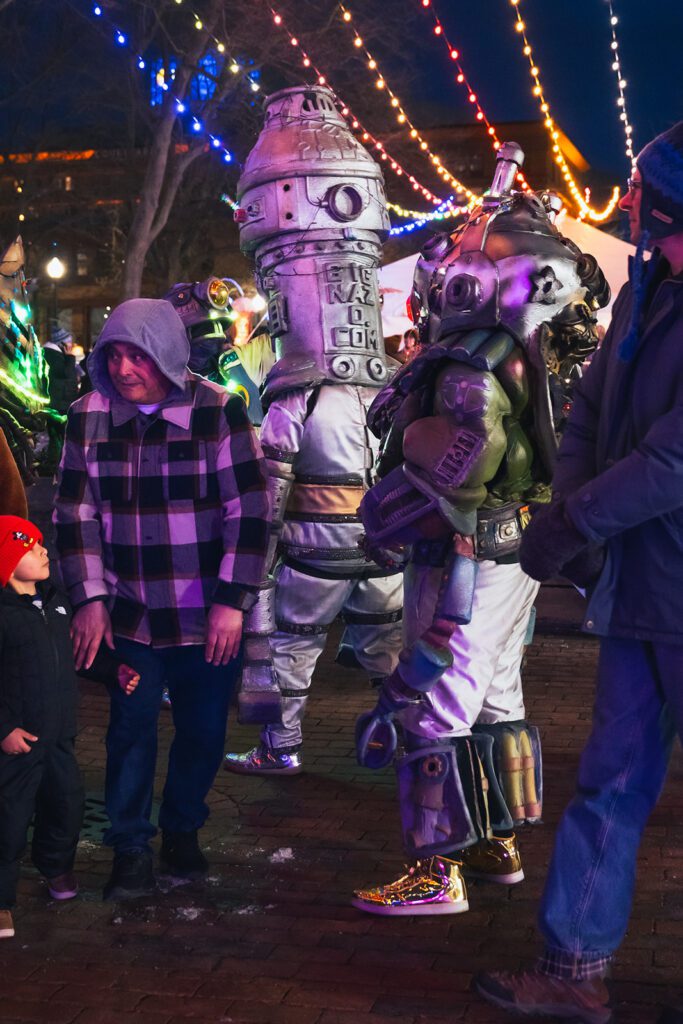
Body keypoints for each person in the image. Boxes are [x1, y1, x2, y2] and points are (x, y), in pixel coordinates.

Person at [350, 141, 609, 917]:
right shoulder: (534, 353)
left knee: (441, 697)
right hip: (514, 546)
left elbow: (470, 449)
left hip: (464, 548)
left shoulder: (469, 360)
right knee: (495, 692)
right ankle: (493, 836)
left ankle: (435, 870)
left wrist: (404, 499)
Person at [476, 122, 683, 1024]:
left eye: (642, 188)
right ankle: (572, 969)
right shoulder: (646, 299)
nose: (628, 200)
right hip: (645, 592)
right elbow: (591, 408)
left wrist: (576, 519)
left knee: (612, 782)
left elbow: (675, 461)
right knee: (608, 782)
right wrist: (575, 512)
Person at [54, 298, 270, 901]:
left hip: (205, 614)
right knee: (130, 728)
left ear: (168, 354)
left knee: (202, 730)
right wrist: (90, 598)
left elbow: (249, 510)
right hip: (129, 614)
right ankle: (129, 846)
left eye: (138, 356)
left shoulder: (219, 412)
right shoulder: (87, 416)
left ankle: (182, 830)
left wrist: (233, 599)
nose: (124, 369)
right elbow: (76, 513)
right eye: (114, 355)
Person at [222, 85, 403, 776]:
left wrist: (254, 567)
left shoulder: (294, 395)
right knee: (385, 644)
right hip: (380, 543)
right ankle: (406, 733)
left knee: (293, 645)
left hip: (312, 545)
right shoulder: (389, 387)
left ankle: (281, 746)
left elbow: (270, 486)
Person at [0, 516, 139, 940]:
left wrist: (112, 671)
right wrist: (3, 728)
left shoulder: (55, 602)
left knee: (67, 806)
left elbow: (77, 655)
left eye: (42, 544)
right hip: (17, 745)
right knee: (7, 820)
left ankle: (56, 867)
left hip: (59, 740)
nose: (43, 552)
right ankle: (2, 900)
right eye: (30, 547)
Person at [42, 325, 80, 471]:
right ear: (61, 343)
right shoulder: (52, 355)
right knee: (60, 435)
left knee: (59, 435)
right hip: (59, 402)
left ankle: (57, 463)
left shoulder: (56, 355)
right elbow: (66, 373)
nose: (70, 346)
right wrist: (70, 357)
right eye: (68, 342)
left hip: (61, 401)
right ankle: (57, 465)